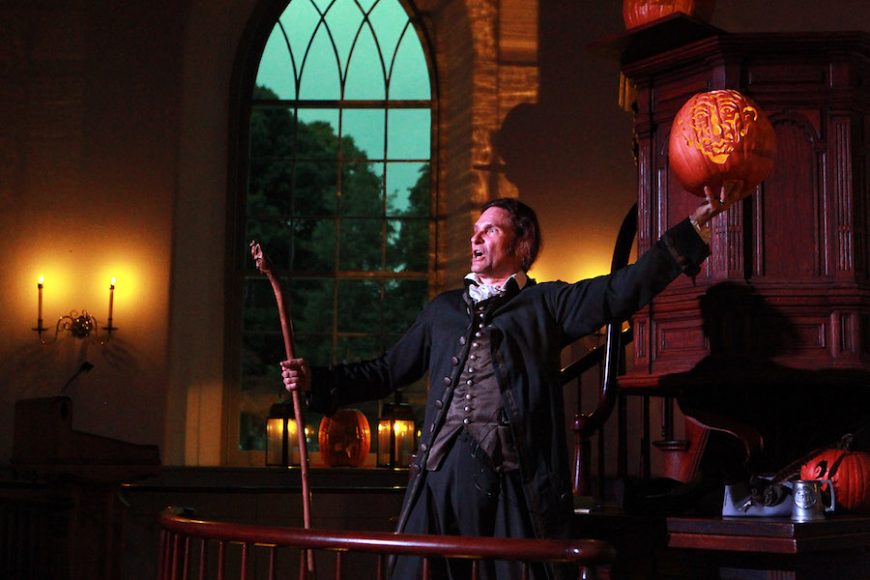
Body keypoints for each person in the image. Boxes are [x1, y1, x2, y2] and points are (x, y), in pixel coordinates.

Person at [282, 186, 735, 579]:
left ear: (523, 244)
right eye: (475, 231)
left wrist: (686, 236)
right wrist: (316, 379)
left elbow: (620, 290)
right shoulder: (443, 310)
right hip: (439, 473)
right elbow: (385, 371)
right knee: (417, 571)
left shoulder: (546, 303)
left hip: (515, 475)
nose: (475, 237)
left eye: (491, 230)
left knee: (521, 570)